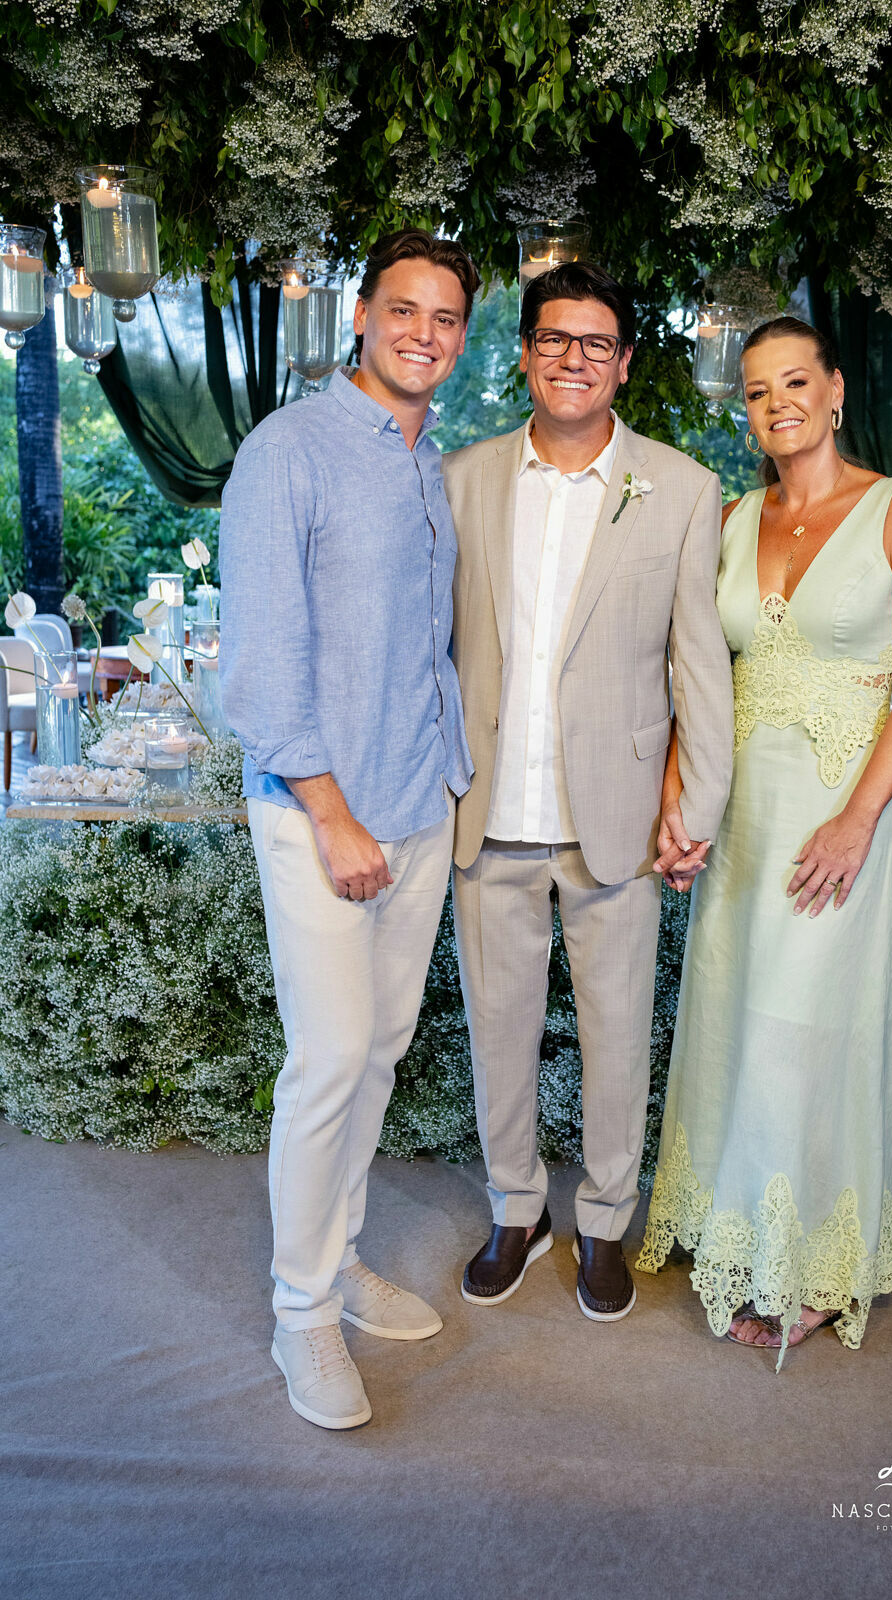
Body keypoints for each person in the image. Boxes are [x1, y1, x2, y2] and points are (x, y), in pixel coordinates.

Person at [637, 316, 892, 1368]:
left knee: (803, 1032)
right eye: (757, 390)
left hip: (833, 817)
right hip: (740, 817)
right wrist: (679, 803)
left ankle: (799, 1262)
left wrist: (859, 816)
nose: (776, 402)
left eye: (794, 382)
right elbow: (696, 681)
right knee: (730, 1019)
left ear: (834, 390)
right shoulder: (730, 518)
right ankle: (729, 1225)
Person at [219, 229, 480, 1428]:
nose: (424, 333)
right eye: (404, 311)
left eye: (445, 318)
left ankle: (340, 1257)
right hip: (326, 814)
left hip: (418, 803)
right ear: (361, 318)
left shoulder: (429, 463)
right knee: (327, 1060)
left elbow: (421, 648)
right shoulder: (290, 452)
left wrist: (449, 784)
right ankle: (298, 1316)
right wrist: (329, 813)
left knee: (376, 1053)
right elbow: (264, 663)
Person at [443, 262, 734, 1322]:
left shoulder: (681, 487)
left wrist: (691, 807)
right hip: (485, 814)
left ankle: (605, 1219)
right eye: (553, 339)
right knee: (496, 1032)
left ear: (621, 363)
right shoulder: (460, 477)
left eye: (595, 343)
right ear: (522, 352)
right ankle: (514, 1210)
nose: (573, 359)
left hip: (613, 823)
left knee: (618, 1037)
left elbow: (696, 664)